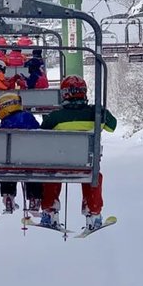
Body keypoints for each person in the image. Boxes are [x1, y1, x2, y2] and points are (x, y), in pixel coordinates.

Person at [38, 75, 116, 231]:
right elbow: (112, 127)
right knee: (94, 176)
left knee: (50, 175)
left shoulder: (55, 117)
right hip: (86, 164)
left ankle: (49, 211)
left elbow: (41, 137)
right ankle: (93, 213)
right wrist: (101, 111)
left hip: (60, 164)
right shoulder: (95, 113)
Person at [0, 92, 43, 214]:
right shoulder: (28, 117)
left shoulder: (4, 123)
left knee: (6, 170)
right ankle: (34, 198)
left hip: (11, 159)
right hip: (30, 158)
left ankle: (8, 195)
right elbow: (39, 132)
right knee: (34, 172)